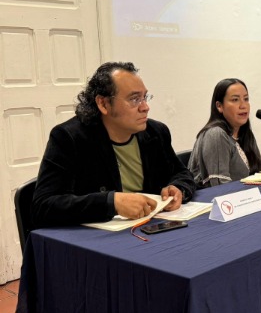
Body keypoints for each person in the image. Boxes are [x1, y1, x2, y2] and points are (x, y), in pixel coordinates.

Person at [32, 62, 196, 228]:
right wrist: (112, 202)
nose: (145, 107)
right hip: (97, 237)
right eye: (134, 99)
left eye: (145, 97)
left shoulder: (156, 132)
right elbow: (44, 205)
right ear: (103, 104)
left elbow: (181, 173)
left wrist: (178, 188)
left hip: (151, 227)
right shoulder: (69, 138)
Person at [188, 78, 261, 188]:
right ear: (219, 106)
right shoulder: (215, 135)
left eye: (246, 99)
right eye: (235, 100)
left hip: (247, 196)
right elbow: (221, 188)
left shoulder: (245, 134)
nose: (243, 105)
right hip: (219, 198)